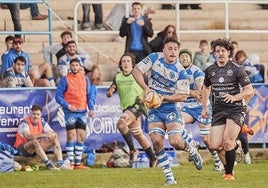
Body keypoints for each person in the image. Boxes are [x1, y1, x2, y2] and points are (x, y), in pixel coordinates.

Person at [132, 37, 203, 185]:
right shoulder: (154, 58)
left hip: (171, 107)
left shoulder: (181, 71)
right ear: (163, 50)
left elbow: (183, 96)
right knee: (157, 142)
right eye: (170, 49)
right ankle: (170, 177)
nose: (173, 52)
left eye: (175, 49)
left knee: (175, 142)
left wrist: (163, 98)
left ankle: (192, 150)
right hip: (154, 109)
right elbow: (136, 71)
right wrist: (147, 89)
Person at [201, 38, 254, 180]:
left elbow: (249, 90)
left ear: (229, 52)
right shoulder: (210, 70)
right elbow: (205, 87)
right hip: (218, 110)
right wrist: (204, 107)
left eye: (223, 51)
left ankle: (229, 174)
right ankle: (237, 143)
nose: (220, 53)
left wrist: (234, 97)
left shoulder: (237, 69)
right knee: (215, 145)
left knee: (227, 142)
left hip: (235, 109)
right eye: (217, 51)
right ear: (214, 53)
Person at [106, 53, 157, 167]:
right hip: (127, 108)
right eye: (123, 61)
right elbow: (111, 89)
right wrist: (109, 93)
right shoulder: (118, 77)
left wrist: (147, 98)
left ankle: (133, 151)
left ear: (133, 64)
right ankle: (153, 158)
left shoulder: (138, 75)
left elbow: (149, 88)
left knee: (121, 123)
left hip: (138, 105)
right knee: (138, 135)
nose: (125, 63)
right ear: (120, 64)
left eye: (128, 61)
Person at [179, 49, 224, 172]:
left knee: (207, 140)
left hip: (201, 107)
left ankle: (218, 162)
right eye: (182, 56)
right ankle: (193, 143)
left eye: (186, 57)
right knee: (176, 122)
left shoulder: (196, 71)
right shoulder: (177, 71)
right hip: (188, 107)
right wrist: (189, 92)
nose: (184, 58)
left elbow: (199, 91)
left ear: (190, 59)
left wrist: (188, 91)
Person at [55, 58, 96, 169]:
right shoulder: (65, 79)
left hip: (82, 112)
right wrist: (68, 106)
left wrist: (91, 108)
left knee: (81, 137)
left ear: (80, 66)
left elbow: (89, 95)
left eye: (77, 65)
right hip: (70, 112)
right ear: (70, 66)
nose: (75, 67)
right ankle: (70, 163)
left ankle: (77, 163)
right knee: (71, 136)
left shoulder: (85, 79)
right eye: (73, 65)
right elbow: (58, 96)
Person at [13, 104, 70, 170]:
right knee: (34, 141)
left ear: (41, 115)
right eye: (34, 114)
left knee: (54, 137)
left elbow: (52, 132)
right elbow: (28, 136)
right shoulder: (24, 123)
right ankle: (48, 164)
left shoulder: (42, 121)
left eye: (38, 114)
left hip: (35, 149)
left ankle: (60, 163)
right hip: (23, 149)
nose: (36, 116)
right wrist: (44, 135)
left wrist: (52, 134)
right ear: (30, 114)